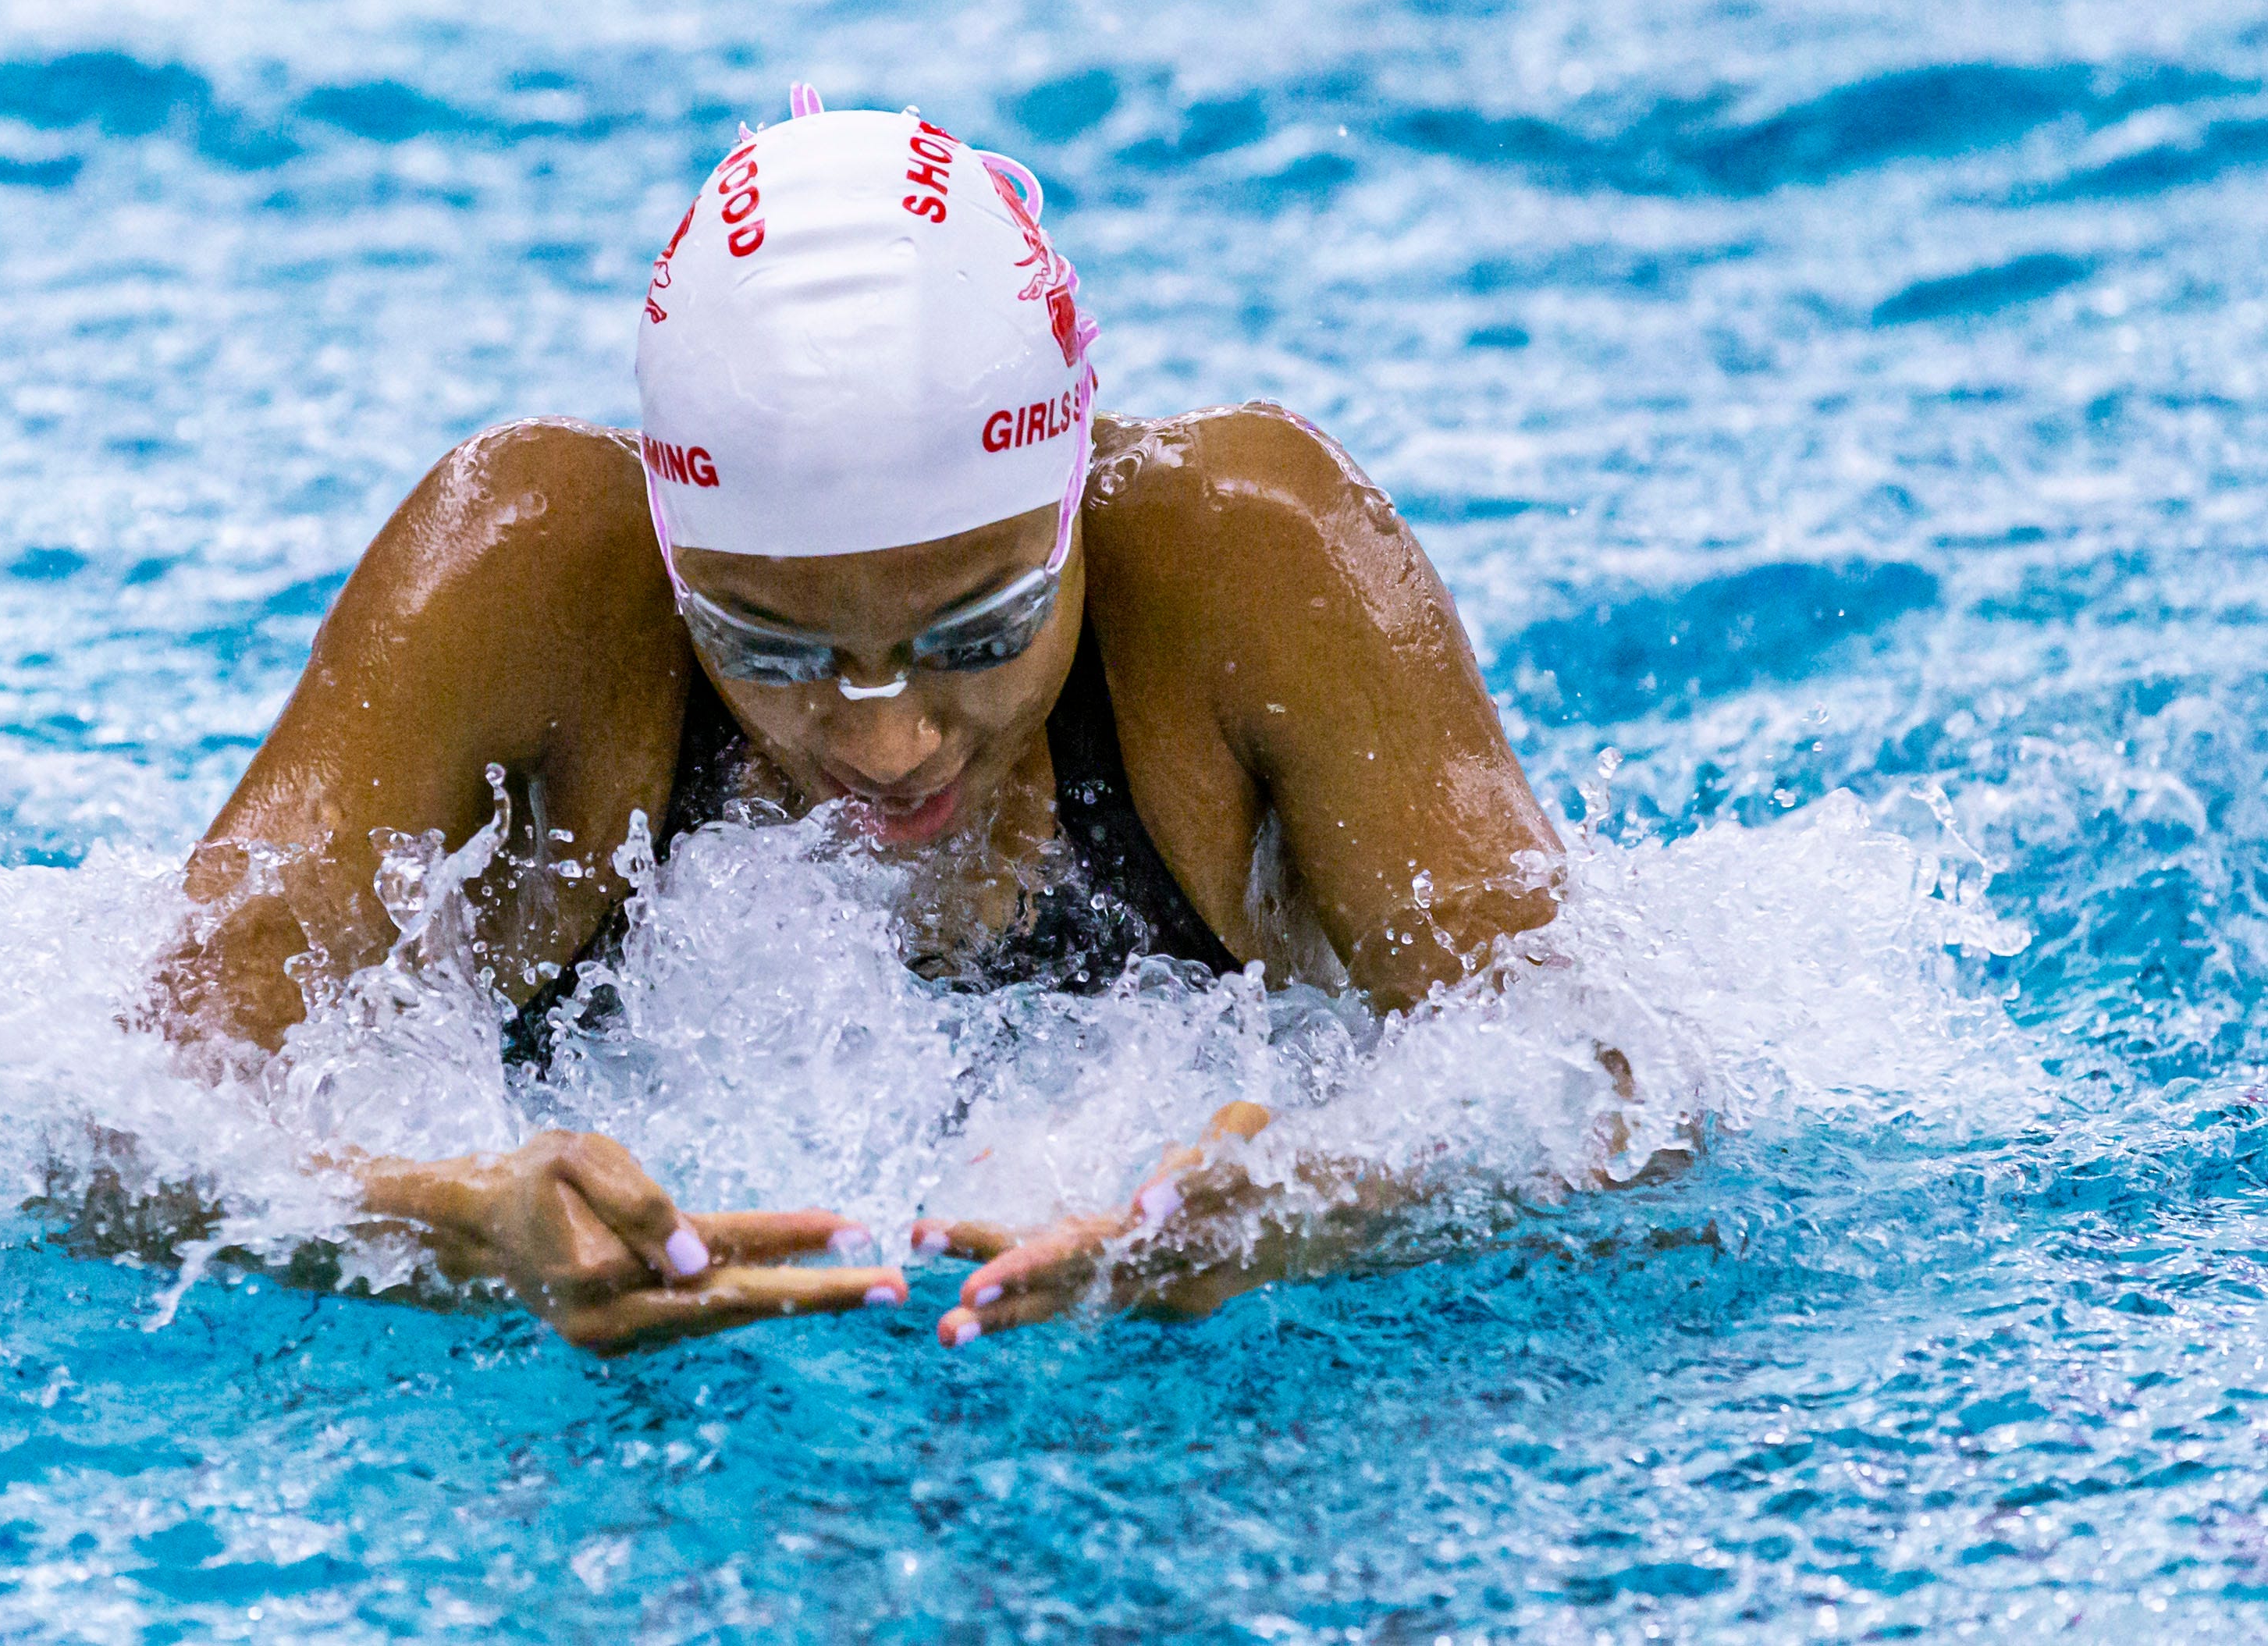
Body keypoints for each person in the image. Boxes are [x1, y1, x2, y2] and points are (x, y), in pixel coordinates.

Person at [156, 94, 1565, 1355]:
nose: (889, 746)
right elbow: (118, 1113)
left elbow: (1613, 1070)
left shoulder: (1253, 564)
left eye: (980, 634)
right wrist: (435, 1228)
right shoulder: (526, 576)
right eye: (770, 647)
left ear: (1072, 494)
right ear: (675, 555)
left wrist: (1328, 1204)